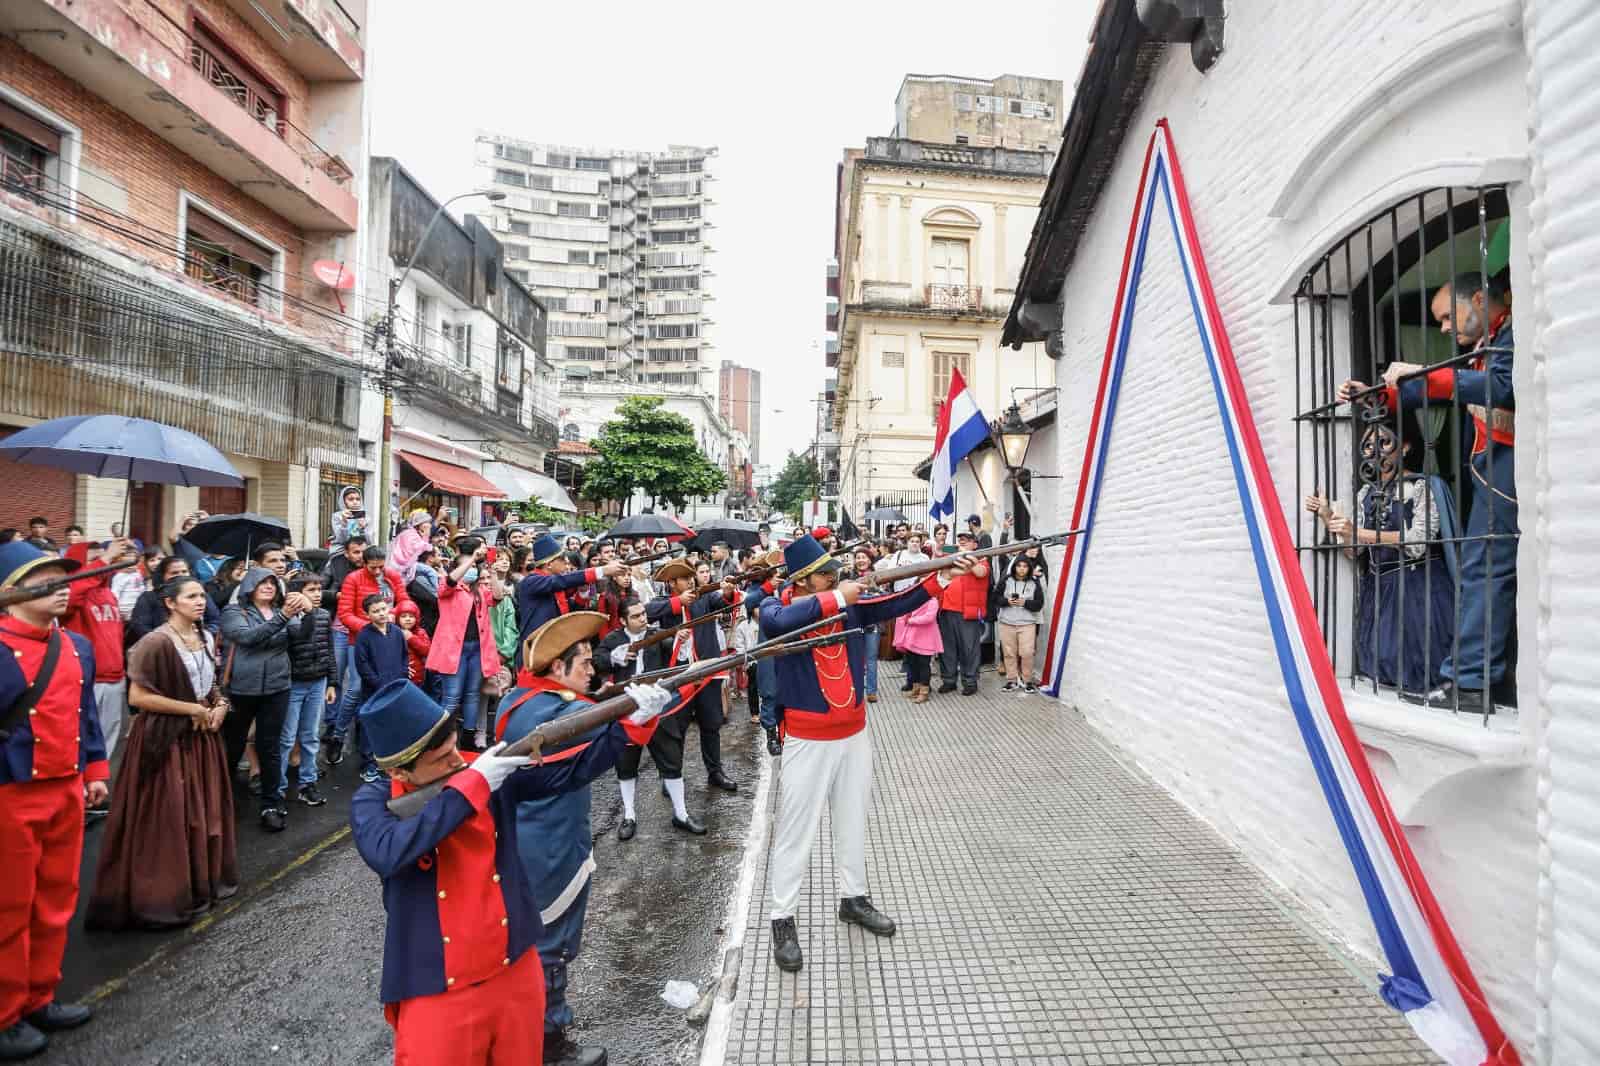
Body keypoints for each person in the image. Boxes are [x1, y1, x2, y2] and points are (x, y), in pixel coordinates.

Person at [350, 660, 667, 1066]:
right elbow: (388, 851)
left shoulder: (477, 768)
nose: (457, 762)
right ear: (398, 770)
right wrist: (472, 786)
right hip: (437, 990)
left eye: (453, 750)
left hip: (514, 968)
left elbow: (565, 774)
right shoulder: (374, 802)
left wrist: (630, 725)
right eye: (443, 759)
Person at [758, 534, 969, 972]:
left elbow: (896, 604)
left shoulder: (847, 603)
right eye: (825, 574)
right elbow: (777, 625)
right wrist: (837, 596)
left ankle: (853, 897)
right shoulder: (775, 609)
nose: (836, 577)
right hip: (807, 738)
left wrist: (940, 577)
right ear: (803, 582)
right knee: (796, 831)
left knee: (852, 818)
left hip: (854, 734)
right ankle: (783, 917)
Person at [496, 612, 672, 1066]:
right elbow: (595, 729)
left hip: (539, 841)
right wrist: (640, 707)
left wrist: (631, 706)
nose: (592, 671)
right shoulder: (550, 712)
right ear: (557, 667)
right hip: (548, 849)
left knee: (541, 946)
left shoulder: (521, 700)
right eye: (583, 662)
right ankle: (548, 1044)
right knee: (550, 947)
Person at [1339, 272, 1515, 712]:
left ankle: (1474, 682)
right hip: (1491, 473)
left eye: (1445, 317)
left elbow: (1501, 387)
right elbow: (1431, 391)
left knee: (1484, 571)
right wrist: (1375, 396)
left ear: (1478, 299)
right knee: (1482, 572)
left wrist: (1424, 374)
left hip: (1508, 472)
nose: (1441, 329)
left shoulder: (1510, 334)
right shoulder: (1481, 348)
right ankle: (1473, 679)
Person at [0, 542, 108, 1060]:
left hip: (64, 788)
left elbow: (85, 714)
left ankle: (40, 994)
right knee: (8, 907)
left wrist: (95, 770)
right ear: (11, 591)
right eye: (47, 577)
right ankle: (4, 1012)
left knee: (55, 900)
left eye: (66, 577)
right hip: (9, 793)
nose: (64, 586)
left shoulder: (76, 646)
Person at [86, 577, 237, 930]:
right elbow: (138, 698)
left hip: (201, 738)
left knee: (202, 814)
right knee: (168, 816)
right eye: (191, 596)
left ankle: (198, 882)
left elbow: (211, 685)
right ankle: (162, 893)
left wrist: (220, 706)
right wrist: (192, 710)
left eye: (202, 595)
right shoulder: (154, 642)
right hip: (165, 740)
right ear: (170, 603)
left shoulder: (202, 636)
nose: (200, 602)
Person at [1306, 425, 1457, 696]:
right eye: (1367, 446)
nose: (1375, 451)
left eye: (1384, 442)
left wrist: (1356, 531)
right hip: (1379, 591)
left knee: (1421, 674)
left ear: (1405, 447)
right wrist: (1328, 517)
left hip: (1418, 589)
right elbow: (1356, 551)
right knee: (1385, 678)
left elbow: (1417, 542)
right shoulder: (1366, 495)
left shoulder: (1424, 486)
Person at [598, 599, 699, 837]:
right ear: (623, 620)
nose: (643, 618)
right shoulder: (613, 640)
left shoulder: (657, 635)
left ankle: (681, 814)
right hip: (626, 711)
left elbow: (679, 662)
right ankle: (629, 815)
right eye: (635, 616)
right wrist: (614, 657)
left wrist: (681, 643)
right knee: (625, 766)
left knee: (672, 762)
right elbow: (596, 661)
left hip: (658, 709)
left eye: (643, 614)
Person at [221, 567, 308, 831]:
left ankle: (271, 804)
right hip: (242, 689)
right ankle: (220, 801)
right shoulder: (235, 612)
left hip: (277, 687)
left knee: (269, 747)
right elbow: (249, 638)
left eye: (273, 583)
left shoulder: (283, 610)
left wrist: (310, 612)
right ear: (249, 586)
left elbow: (300, 635)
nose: (269, 586)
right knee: (232, 747)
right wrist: (284, 616)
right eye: (262, 582)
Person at [646, 559, 742, 794]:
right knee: (674, 730)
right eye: (684, 578)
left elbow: (724, 602)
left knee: (711, 724)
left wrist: (728, 592)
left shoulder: (705, 597)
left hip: (706, 671)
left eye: (691, 577)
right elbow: (647, 613)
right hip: (678, 677)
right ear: (671, 583)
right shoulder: (663, 602)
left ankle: (715, 772)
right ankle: (671, 777)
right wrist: (678, 603)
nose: (690, 581)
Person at [327, 547, 403, 769]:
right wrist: (371, 627)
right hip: (359, 638)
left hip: (387, 637)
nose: (379, 571)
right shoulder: (353, 579)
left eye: (382, 566)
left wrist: (392, 618)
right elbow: (345, 613)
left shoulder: (392, 576)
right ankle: (338, 735)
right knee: (356, 687)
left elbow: (404, 601)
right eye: (373, 567)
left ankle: (372, 742)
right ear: (364, 564)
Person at [427, 539, 502, 752]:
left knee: (472, 695)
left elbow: (497, 596)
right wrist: (471, 561)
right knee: (451, 698)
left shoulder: (478, 590)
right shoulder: (449, 587)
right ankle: (440, 741)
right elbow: (449, 582)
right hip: (455, 651)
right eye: (466, 564)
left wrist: (491, 572)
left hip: (476, 649)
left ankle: (468, 739)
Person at [62, 540, 131, 766]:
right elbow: (72, 592)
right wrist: (106, 559)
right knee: (82, 735)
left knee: (108, 737)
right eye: (94, 561)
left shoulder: (108, 593)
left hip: (114, 677)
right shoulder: (70, 593)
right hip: (87, 679)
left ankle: (95, 786)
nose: (103, 565)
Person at [514, 535, 625, 669]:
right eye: (562, 558)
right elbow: (562, 581)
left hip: (555, 648)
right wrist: (602, 571)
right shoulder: (532, 581)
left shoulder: (552, 583)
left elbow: (572, 609)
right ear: (549, 564)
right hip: (535, 652)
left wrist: (583, 590)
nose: (567, 561)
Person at [283, 575, 336, 807]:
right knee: (286, 738)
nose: (317, 594)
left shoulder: (324, 616)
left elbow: (329, 651)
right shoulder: (288, 618)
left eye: (319, 589)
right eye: (311, 589)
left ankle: (308, 783)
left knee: (310, 735)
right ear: (297, 593)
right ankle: (278, 788)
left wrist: (332, 681)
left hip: (318, 682)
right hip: (293, 683)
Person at [355, 595, 409, 782]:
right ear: (367, 614)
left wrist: (402, 679)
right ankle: (368, 763)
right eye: (376, 611)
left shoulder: (396, 632)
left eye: (383, 609)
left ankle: (387, 762)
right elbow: (362, 665)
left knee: (392, 725)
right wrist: (377, 683)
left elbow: (404, 657)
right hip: (374, 690)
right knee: (372, 726)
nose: (381, 614)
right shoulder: (364, 636)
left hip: (396, 687)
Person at [935, 530, 989, 696]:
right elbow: (938, 569)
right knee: (947, 649)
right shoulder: (952, 559)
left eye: (967, 540)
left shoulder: (982, 560)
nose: (962, 542)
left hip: (967, 612)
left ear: (975, 544)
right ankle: (949, 680)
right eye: (960, 540)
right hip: (946, 609)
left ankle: (970, 681)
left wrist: (968, 558)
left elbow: (981, 572)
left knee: (969, 649)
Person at [127, 556, 220, 645]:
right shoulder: (148, 598)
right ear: (162, 575)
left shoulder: (199, 593)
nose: (180, 576)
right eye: (174, 573)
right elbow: (140, 627)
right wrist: (169, 642)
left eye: (184, 571)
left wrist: (198, 636)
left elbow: (215, 620)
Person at [995, 556, 1046, 693]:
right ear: (1015, 567)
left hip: (1027, 623)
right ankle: (1011, 680)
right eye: (1019, 566)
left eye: (1025, 566)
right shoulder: (1006, 580)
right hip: (1007, 622)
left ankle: (1027, 680)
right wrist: (1007, 601)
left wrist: (1025, 603)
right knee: (1009, 653)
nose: (1021, 569)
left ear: (1029, 568)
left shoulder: (1034, 582)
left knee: (1027, 652)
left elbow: (1039, 604)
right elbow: (995, 597)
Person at [850, 548, 881, 704]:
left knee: (871, 659)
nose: (861, 560)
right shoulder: (848, 578)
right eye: (858, 557)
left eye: (864, 557)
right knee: (855, 658)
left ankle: (871, 691)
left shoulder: (877, 577)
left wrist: (873, 589)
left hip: (871, 623)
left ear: (869, 560)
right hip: (854, 623)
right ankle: (856, 690)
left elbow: (883, 596)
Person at [112, 547, 158, 622]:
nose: (131, 565)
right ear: (119, 562)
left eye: (133, 562)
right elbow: (114, 595)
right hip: (126, 610)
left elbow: (141, 587)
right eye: (127, 563)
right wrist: (117, 611)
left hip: (138, 607)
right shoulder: (119, 577)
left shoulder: (137, 573)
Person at [395, 601, 431, 686]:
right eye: (403, 616)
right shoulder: (394, 633)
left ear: (417, 618)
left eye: (411, 616)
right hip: (400, 675)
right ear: (397, 619)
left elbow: (427, 651)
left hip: (418, 677)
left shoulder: (420, 632)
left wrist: (411, 638)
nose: (408, 619)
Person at [407, 548, 442, 636]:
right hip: (424, 625)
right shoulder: (419, 577)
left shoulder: (431, 573)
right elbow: (435, 598)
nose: (441, 558)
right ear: (430, 558)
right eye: (439, 555)